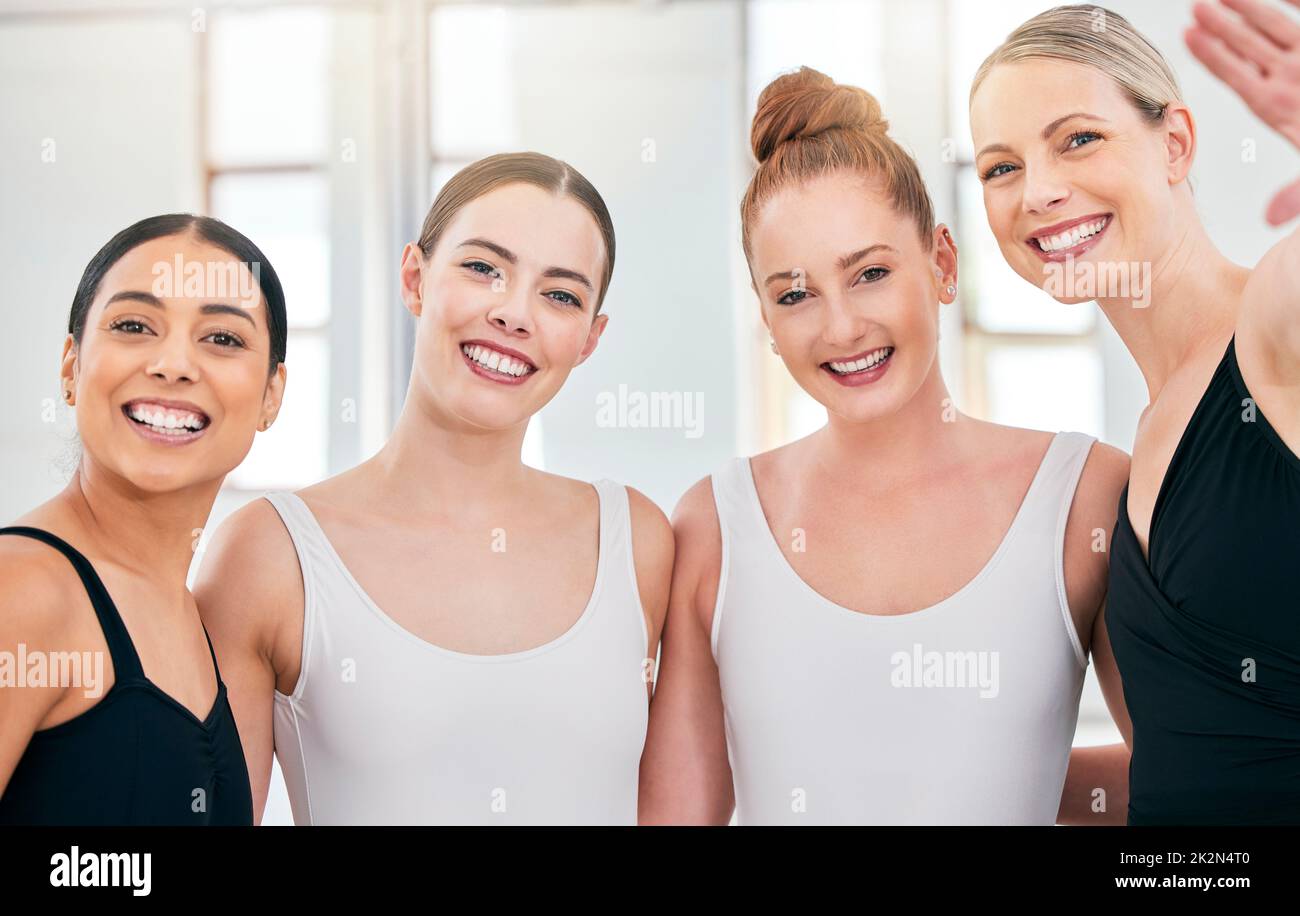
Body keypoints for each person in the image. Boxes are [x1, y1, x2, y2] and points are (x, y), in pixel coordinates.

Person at [639, 67, 1132, 826]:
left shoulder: (1084, 494)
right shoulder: (713, 526)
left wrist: (1008, 781)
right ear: (766, 319)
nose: (840, 329)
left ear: (941, 263)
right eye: (795, 294)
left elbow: (1194, 779)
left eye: (869, 273)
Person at [195, 152, 673, 825]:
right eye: (483, 268)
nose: (514, 314)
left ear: (590, 338)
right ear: (414, 277)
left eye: (560, 294)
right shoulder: (268, 556)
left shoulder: (637, 542)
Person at [969, 2, 1300, 824]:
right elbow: (1199, 759)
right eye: (1000, 168)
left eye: (1078, 139)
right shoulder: (1141, 446)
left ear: (1175, 143)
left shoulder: (1275, 325)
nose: (1039, 191)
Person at [0, 214, 287, 824]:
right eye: (134, 325)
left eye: (223, 338)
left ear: (271, 396)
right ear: (71, 367)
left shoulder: (195, 619)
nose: (174, 363)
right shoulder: (21, 590)